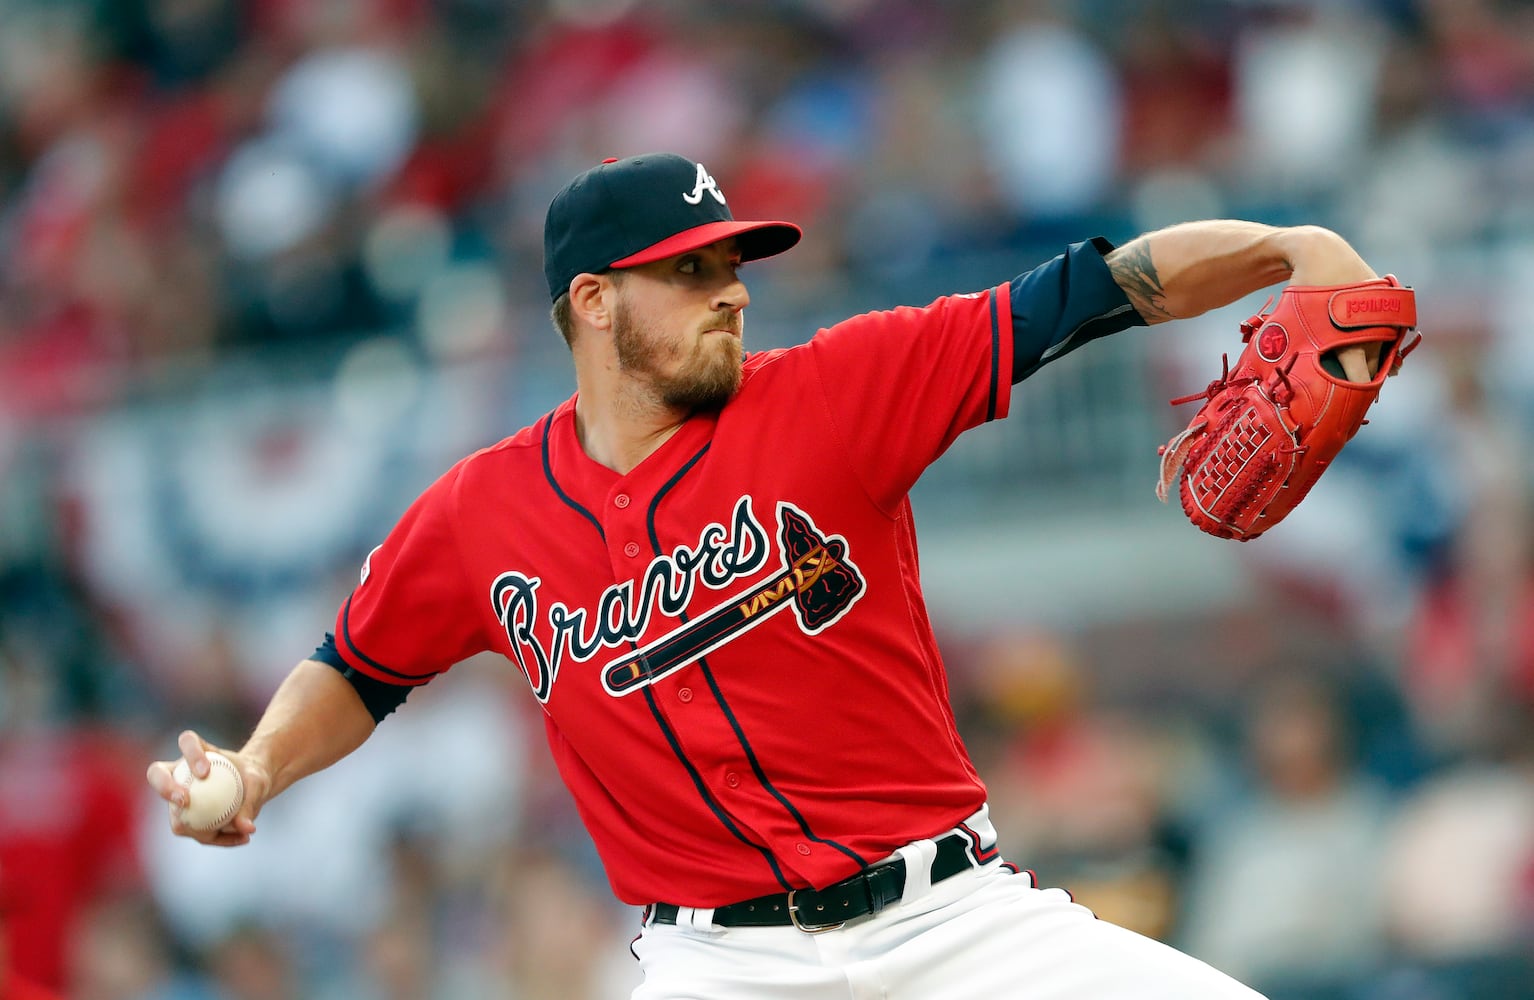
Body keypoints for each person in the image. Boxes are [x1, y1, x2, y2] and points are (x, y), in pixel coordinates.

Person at [148, 152, 1392, 998]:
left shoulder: (841, 388)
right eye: (687, 271)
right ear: (593, 301)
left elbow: (1098, 286)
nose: (729, 292)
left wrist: (1292, 246)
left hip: (953, 924)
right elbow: (359, 667)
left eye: (731, 265)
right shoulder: (480, 513)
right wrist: (258, 765)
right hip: (721, 970)